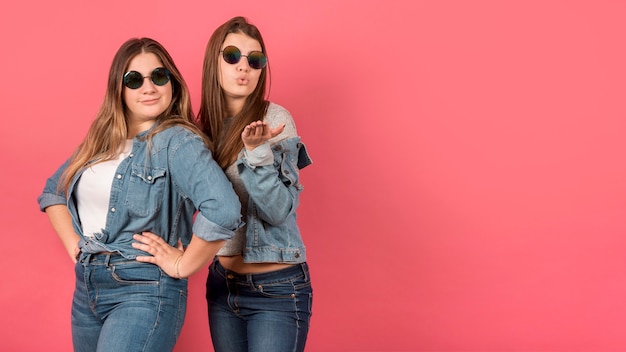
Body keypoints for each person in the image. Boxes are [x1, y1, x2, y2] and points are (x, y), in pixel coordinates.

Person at [37, 37, 242, 352]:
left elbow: (224, 208)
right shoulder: (101, 141)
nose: (149, 88)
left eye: (159, 77)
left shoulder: (177, 142)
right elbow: (54, 192)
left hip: (144, 290)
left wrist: (183, 265)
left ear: (172, 82)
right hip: (88, 288)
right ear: (119, 89)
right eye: (134, 80)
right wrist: (77, 249)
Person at [200, 16, 313, 352]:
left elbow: (278, 210)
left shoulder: (275, 120)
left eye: (255, 59)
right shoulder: (201, 126)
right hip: (222, 285)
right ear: (214, 62)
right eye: (232, 56)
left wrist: (257, 152)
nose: (243, 67)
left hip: (277, 288)